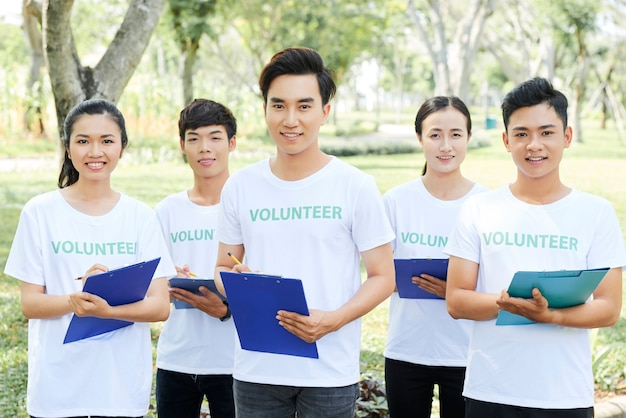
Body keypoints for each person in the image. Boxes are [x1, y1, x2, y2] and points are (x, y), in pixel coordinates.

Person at [213, 47, 396, 418]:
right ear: (265, 109)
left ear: (325, 112)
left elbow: (383, 276)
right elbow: (221, 266)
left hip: (330, 369)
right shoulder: (241, 186)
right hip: (257, 368)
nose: (290, 119)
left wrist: (334, 319)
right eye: (278, 106)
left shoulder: (355, 185)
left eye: (304, 106)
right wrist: (237, 284)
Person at [445, 77, 626, 417]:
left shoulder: (595, 213)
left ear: (567, 137)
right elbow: (457, 300)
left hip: (564, 396)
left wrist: (550, 315)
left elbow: (608, 308)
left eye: (546, 132)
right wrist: (512, 303)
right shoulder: (479, 209)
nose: (534, 145)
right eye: (522, 134)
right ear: (506, 140)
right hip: (490, 392)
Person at [3, 98, 176, 418]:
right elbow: (30, 304)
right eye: (83, 141)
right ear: (68, 148)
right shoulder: (39, 213)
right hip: (56, 389)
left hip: (119, 391)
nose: (95, 152)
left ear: (122, 147)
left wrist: (108, 309)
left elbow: (160, 306)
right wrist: (74, 301)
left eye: (107, 141)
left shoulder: (141, 217)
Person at [383, 96, 487, 418]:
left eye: (456, 134)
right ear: (420, 138)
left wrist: (455, 292)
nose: (446, 145)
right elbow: (379, 274)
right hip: (406, 350)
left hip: (466, 354)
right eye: (435, 134)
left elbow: (497, 282)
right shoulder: (396, 201)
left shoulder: (486, 204)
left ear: (468, 137)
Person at [155, 98, 237, 418]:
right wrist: (168, 277)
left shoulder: (246, 207)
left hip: (234, 361)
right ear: (182, 145)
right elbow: (151, 285)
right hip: (176, 358)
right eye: (194, 138)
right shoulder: (167, 211)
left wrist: (226, 310)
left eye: (215, 137)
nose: (205, 148)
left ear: (232, 143)